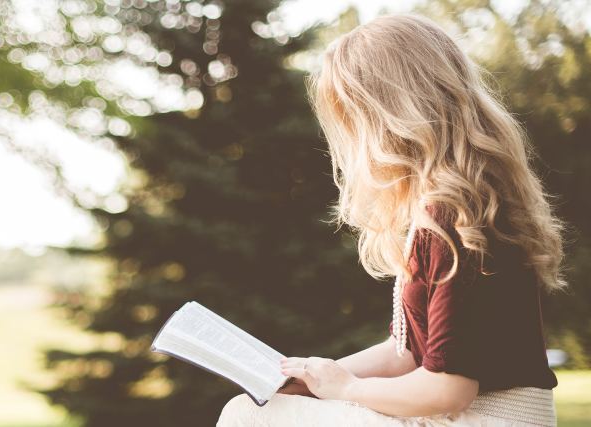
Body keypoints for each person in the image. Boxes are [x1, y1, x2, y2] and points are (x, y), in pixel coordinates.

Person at [217, 14, 565, 426]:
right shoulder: (450, 204)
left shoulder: (455, 216)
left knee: (249, 417)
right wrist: (316, 378)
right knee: (264, 408)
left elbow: (448, 388)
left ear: (389, 113)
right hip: (468, 415)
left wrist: (348, 389)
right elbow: (408, 352)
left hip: (490, 419)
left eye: (353, 116)